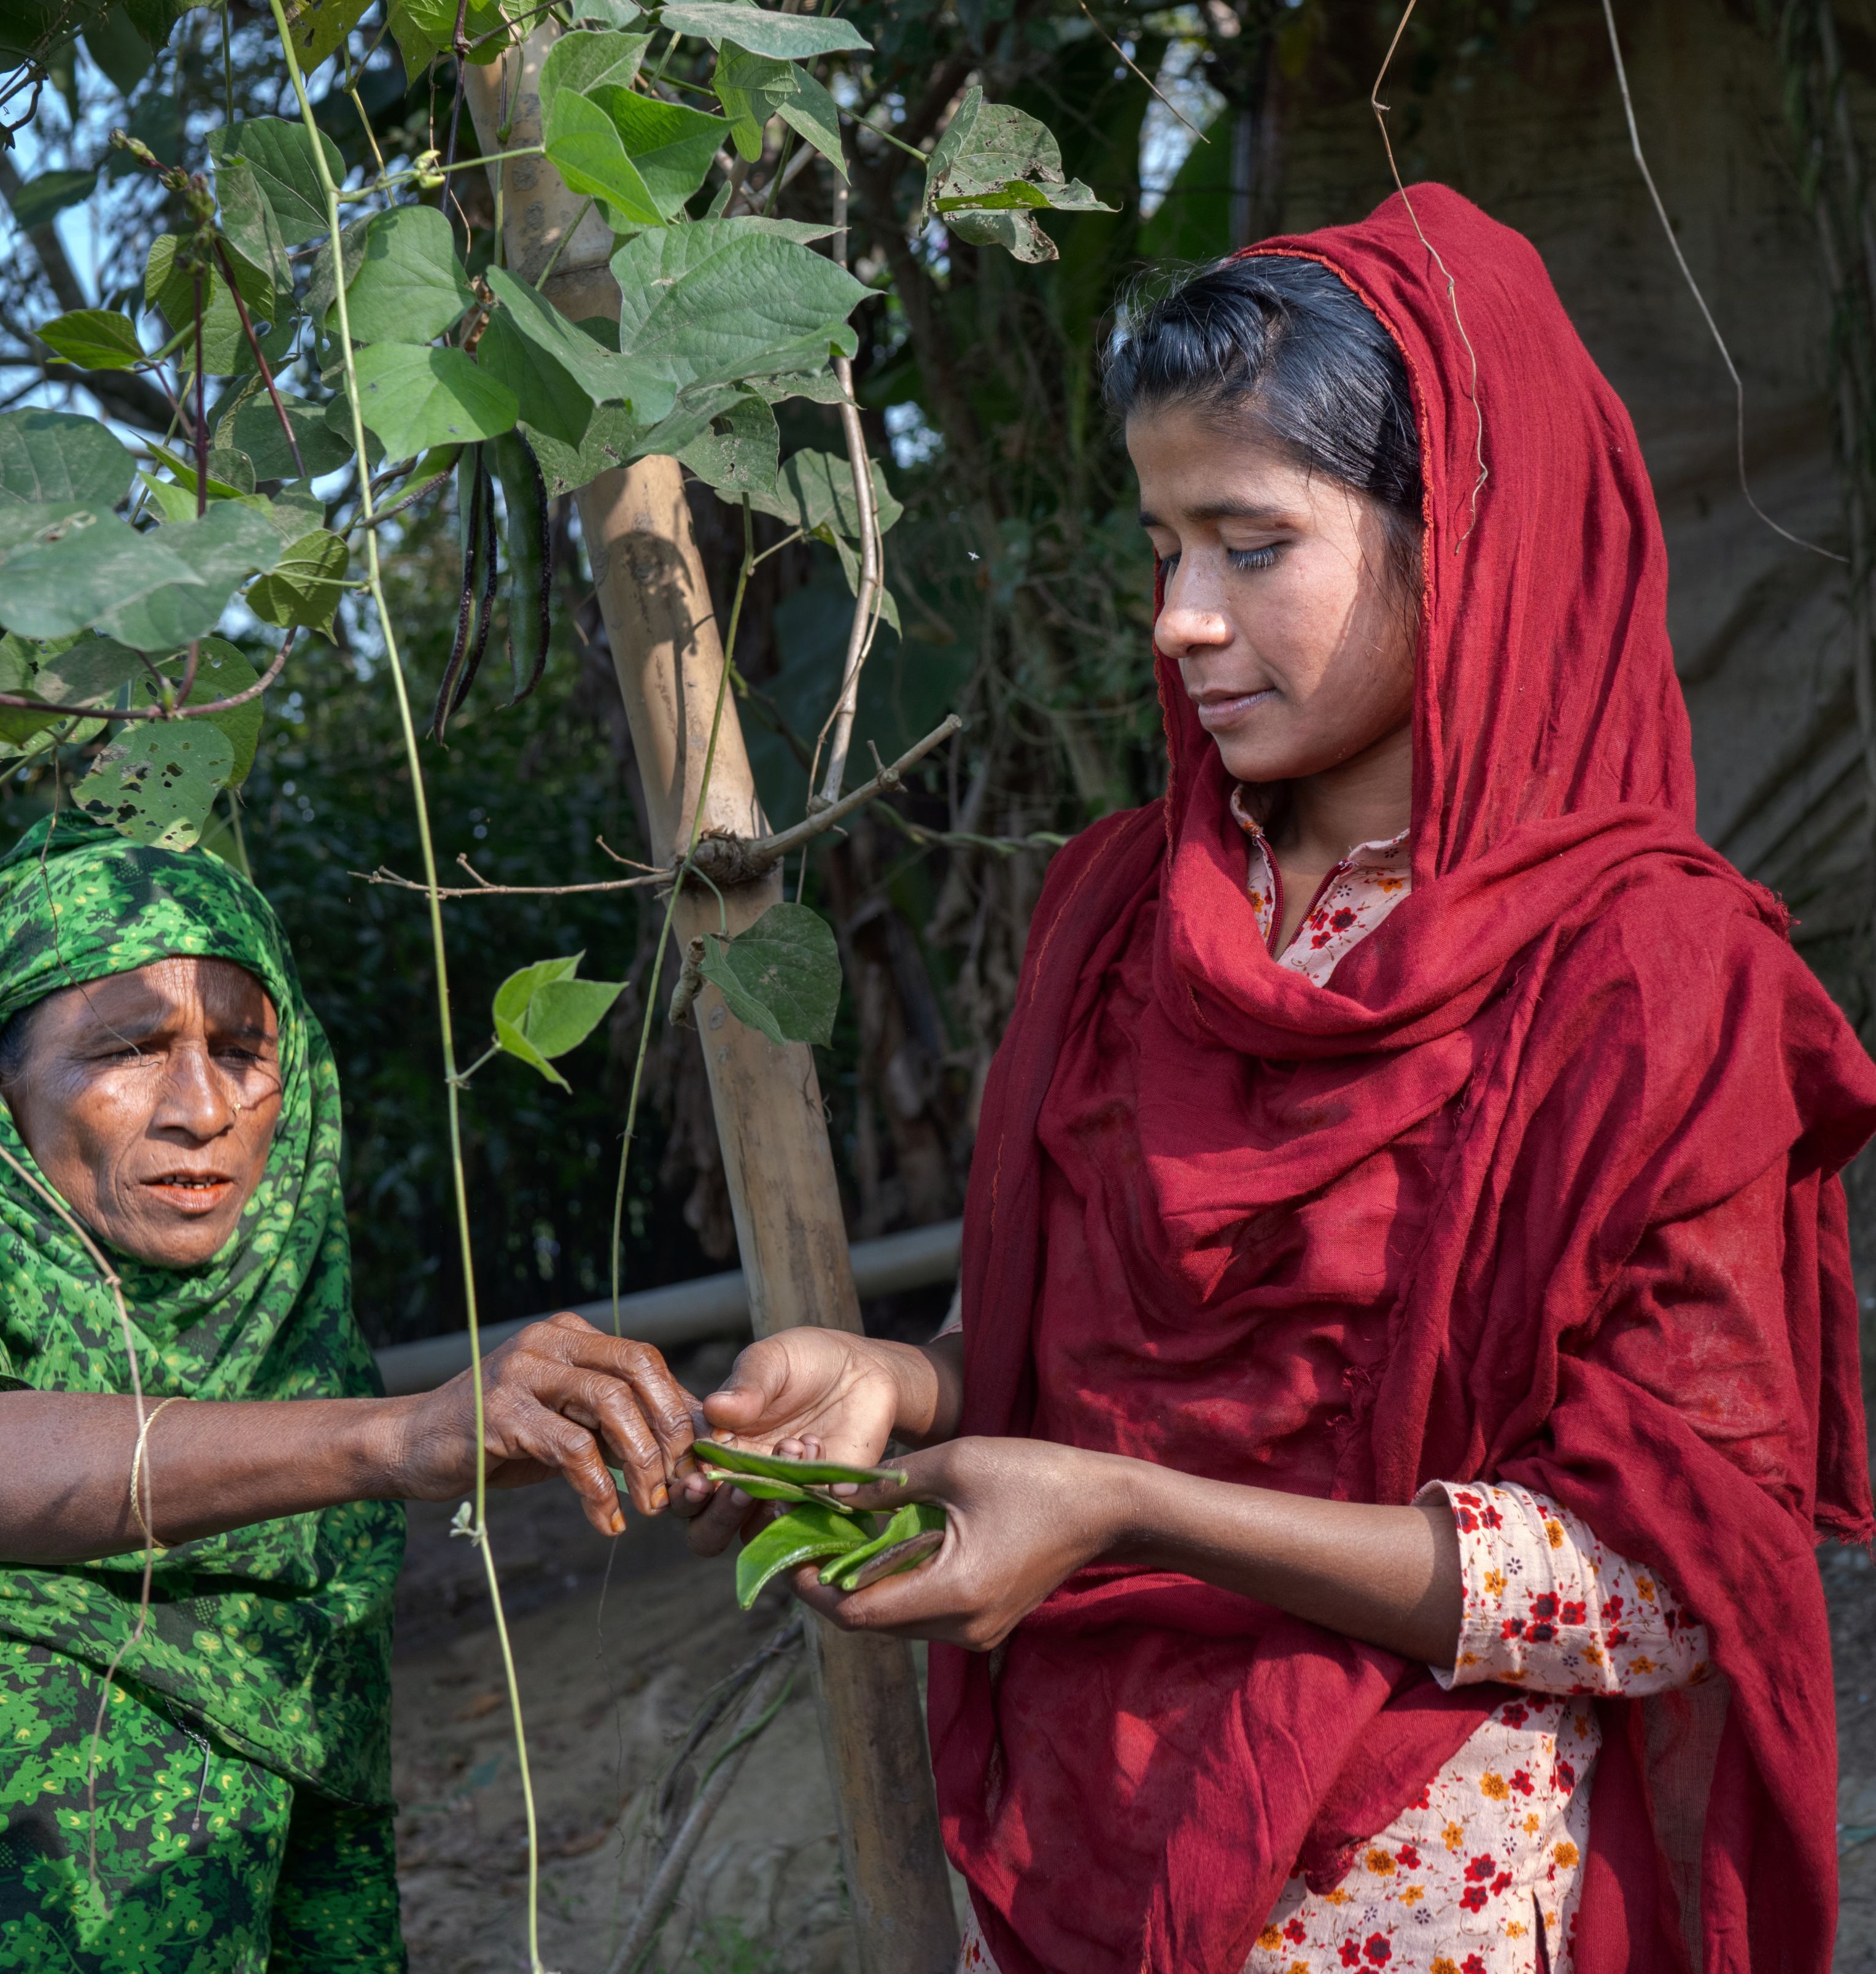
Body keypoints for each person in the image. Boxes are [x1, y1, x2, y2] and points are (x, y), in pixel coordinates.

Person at [673, 187, 1876, 1972]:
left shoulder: (1648, 980)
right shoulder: (1121, 918)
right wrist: (913, 1390)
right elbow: (1127, 1387)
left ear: (1458, 537)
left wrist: (1130, 1513)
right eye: (1163, 546)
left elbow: (1657, 1588)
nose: (1178, 617)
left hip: (1420, 1879)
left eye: (1249, 543)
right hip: (1091, 1829)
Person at [0, 815, 697, 1971]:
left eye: (240, 1049)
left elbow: (313, 1841)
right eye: (126, 1050)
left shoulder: (281, 1348)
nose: (204, 1109)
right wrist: (394, 1438)